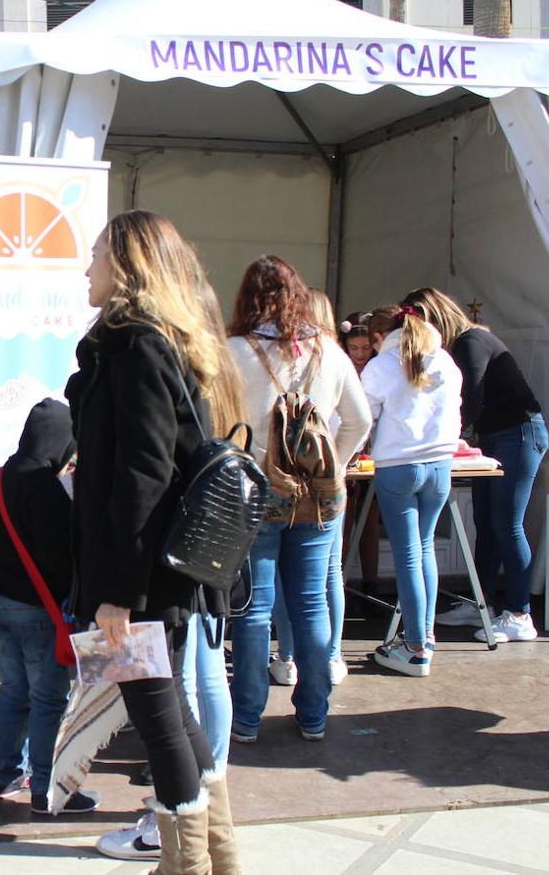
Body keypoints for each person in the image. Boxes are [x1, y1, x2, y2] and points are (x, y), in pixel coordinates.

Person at [66, 210, 246, 872]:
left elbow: (146, 472)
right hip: (153, 569)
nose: (87, 269)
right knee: (170, 713)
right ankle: (215, 860)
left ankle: (188, 865)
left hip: (138, 573)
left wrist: (115, 594)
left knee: (159, 720)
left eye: (96, 257)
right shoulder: (159, 340)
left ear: (127, 268)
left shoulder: (138, 343)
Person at [227, 256, 370, 744]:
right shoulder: (329, 351)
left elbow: (214, 425)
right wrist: (336, 464)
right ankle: (313, 715)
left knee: (253, 608)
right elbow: (360, 420)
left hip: (253, 492)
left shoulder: (234, 351)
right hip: (318, 497)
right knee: (312, 606)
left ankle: (245, 719)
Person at [406, 288, 549, 643]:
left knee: (507, 523)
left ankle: (519, 613)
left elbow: (471, 396)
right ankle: (480, 601)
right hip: (496, 436)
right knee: (485, 522)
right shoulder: (459, 346)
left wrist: (447, 438)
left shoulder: (471, 341)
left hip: (518, 433)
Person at [0, 399, 91, 814]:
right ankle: (47, 788)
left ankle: (5, 776)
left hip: (1, 605)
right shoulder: (47, 489)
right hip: (40, 612)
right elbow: (59, 560)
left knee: (13, 693)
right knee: (48, 700)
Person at [361, 306, 463, 675]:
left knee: (408, 557)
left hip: (398, 466)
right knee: (424, 549)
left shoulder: (382, 365)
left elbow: (361, 416)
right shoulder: (444, 361)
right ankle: (426, 637)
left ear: (377, 338)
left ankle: (416, 648)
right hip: (440, 465)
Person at [270, 288, 353, 687]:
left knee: (284, 584)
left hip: (279, 484)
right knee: (323, 583)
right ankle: (330, 659)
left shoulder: (278, 356)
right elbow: (361, 420)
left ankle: (288, 658)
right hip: (324, 488)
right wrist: (336, 462)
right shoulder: (335, 359)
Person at [339, 311, 382, 602]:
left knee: (370, 522)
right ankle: (339, 582)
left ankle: (371, 584)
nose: (360, 354)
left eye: (365, 348)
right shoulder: (343, 370)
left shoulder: (379, 370)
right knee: (346, 518)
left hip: (374, 455)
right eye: (354, 348)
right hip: (350, 454)